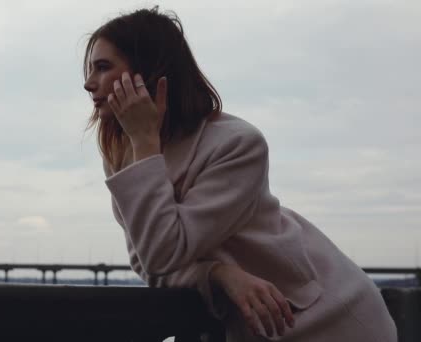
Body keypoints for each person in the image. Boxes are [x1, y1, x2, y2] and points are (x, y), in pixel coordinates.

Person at [82, 6, 397, 342]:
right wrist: (219, 274)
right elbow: (149, 265)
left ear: (147, 70)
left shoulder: (236, 143)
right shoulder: (123, 153)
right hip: (254, 326)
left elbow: (161, 254)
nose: (88, 84)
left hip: (327, 319)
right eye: (89, 70)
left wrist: (146, 143)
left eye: (102, 67)